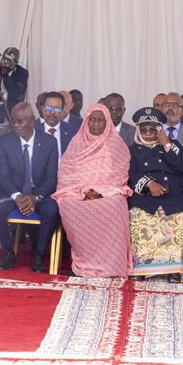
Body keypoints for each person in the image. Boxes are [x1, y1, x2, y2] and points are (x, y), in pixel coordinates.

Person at [52, 103, 133, 277]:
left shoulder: (116, 144)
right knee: (68, 205)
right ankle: (84, 263)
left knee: (115, 205)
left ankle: (111, 266)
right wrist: (83, 191)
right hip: (78, 192)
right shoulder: (77, 143)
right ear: (86, 122)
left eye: (100, 120)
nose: (96, 124)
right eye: (92, 120)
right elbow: (66, 174)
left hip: (108, 193)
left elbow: (120, 175)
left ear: (107, 122)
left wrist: (100, 192)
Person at [128, 107, 183, 283]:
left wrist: (167, 145)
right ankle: (142, 268)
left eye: (153, 129)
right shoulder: (132, 150)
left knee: (177, 219)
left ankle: (175, 269)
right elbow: (129, 174)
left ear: (160, 130)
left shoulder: (173, 145)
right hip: (144, 196)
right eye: (144, 129)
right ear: (138, 130)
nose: (148, 134)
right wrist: (149, 184)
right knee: (140, 217)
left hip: (174, 194)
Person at [0, 102, 59, 271]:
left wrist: (36, 197)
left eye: (20, 121)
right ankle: (8, 252)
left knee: (52, 211)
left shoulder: (49, 142)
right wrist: (17, 196)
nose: (15, 125)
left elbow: (51, 178)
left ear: (32, 120)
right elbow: (4, 176)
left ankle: (38, 254)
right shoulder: (5, 142)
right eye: (13, 121)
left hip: (39, 192)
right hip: (12, 191)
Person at [0, 47, 28, 123]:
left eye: (8, 60)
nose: (5, 62)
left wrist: (5, 75)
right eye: (4, 58)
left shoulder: (22, 73)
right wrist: (5, 95)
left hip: (13, 115)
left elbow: (15, 94)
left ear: (15, 62)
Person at [35, 91, 76, 162]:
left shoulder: (73, 132)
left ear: (62, 111)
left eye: (57, 109)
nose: (52, 112)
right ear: (43, 109)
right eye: (49, 108)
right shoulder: (34, 131)